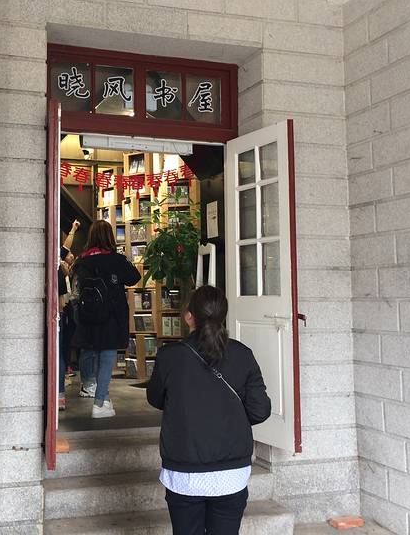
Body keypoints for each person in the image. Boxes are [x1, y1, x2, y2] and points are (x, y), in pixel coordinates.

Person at [147, 285, 272, 535]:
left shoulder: (169, 357)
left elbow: (155, 398)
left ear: (188, 316)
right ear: (224, 315)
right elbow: (260, 411)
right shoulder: (243, 354)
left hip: (184, 471)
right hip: (231, 472)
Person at [71, 220, 141, 418]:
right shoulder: (116, 260)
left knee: (92, 352)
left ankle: (102, 396)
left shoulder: (82, 261)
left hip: (88, 316)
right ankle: (100, 402)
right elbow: (134, 277)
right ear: (110, 237)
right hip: (111, 316)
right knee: (107, 357)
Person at [58, 219, 80, 411]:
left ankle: (60, 389)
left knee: (63, 347)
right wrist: (72, 229)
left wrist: (73, 229)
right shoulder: (58, 264)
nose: (70, 255)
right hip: (60, 310)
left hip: (63, 309)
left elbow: (65, 247)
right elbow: (65, 247)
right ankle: (59, 391)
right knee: (60, 349)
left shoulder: (63, 266)